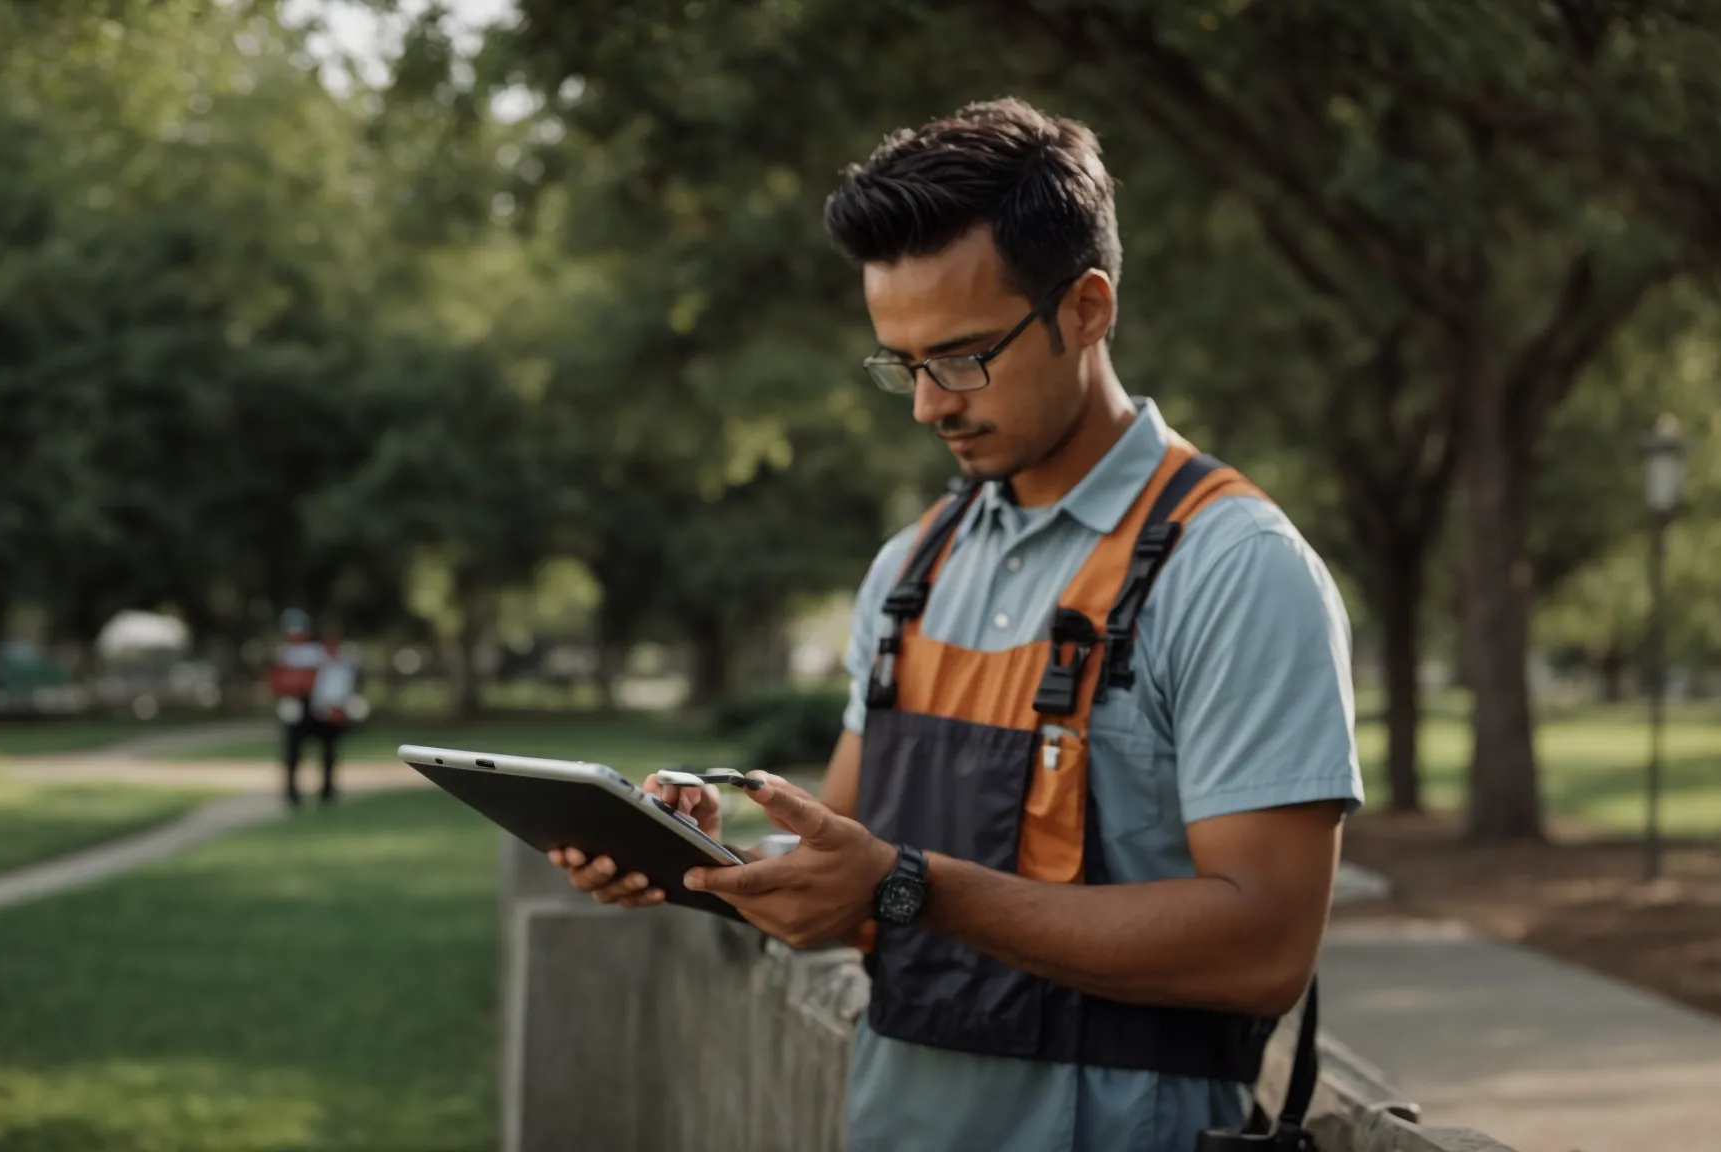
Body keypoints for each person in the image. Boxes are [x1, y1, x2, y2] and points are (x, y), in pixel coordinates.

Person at [547, 97, 1364, 1152]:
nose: (928, 405)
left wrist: (907, 885)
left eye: (962, 357)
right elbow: (845, 883)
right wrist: (699, 859)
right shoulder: (908, 570)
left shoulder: (1236, 570)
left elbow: (1262, 949)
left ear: (1085, 308)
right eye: (901, 364)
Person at [269, 609, 349, 807]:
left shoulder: (323, 652)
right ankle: (292, 793)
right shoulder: (284, 653)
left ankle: (327, 792)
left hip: (322, 706)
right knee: (293, 753)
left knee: (328, 751)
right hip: (298, 706)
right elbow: (279, 682)